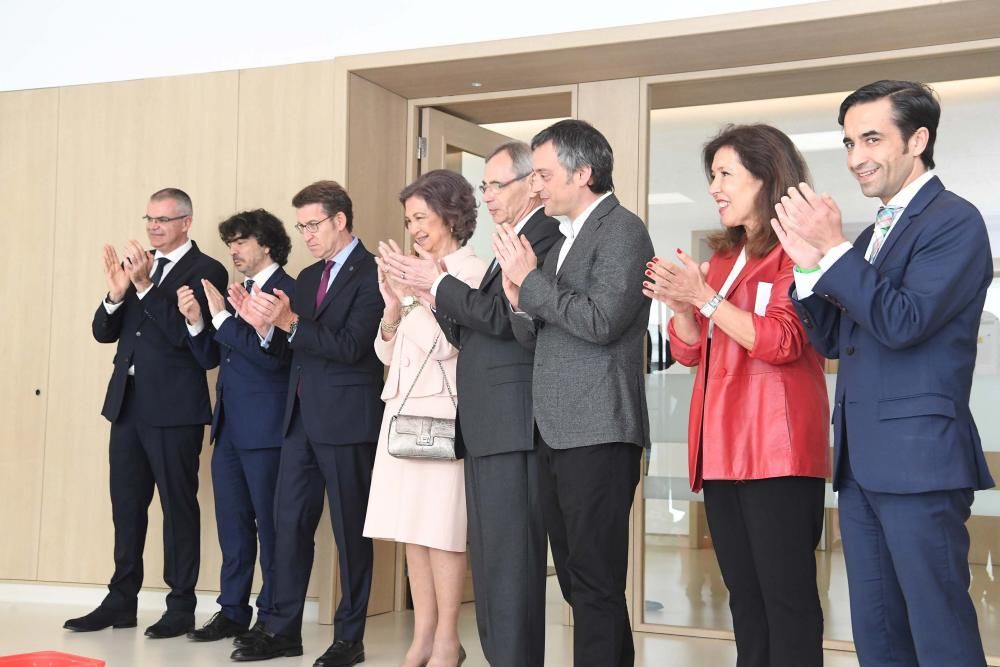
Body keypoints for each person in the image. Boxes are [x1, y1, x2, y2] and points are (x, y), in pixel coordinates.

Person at [773, 79, 994, 666]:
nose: (855, 158)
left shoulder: (955, 222)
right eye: (848, 143)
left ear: (918, 139)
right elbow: (835, 339)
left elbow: (904, 322)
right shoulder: (873, 234)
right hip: (861, 461)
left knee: (936, 625)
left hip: (919, 460)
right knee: (877, 629)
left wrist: (835, 252)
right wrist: (806, 270)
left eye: (872, 139)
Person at [643, 124, 830, 667]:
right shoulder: (726, 259)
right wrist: (682, 304)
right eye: (712, 177)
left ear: (766, 177)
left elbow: (783, 339)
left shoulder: (798, 253)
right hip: (721, 448)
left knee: (786, 599)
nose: (714, 188)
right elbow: (691, 352)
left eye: (725, 174)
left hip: (778, 451)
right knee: (744, 598)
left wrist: (701, 297)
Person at [381, 142, 560, 667]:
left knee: (488, 553)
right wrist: (402, 304)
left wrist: (429, 287)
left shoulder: (502, 253)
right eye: (484, 185)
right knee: (462, 548)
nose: (489, 195)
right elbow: (400, 345)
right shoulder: (511, 244)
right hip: (463, 419)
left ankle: (450, 645)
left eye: (496, 184)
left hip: (484, 416)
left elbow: (487, 328)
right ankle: (446, 643)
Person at [493, 119, 654, 667]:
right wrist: (519, 295)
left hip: (600, 427)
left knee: (596, 581)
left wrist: (530, 282)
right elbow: (537, 332)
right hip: (557, 428)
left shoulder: (623, 231)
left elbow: (603, 320)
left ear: (583, 173)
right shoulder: (565, 241)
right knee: (578, 582)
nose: (534, 187)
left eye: (543, 174)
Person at [229, 181, 384, 666]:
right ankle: (283, 630)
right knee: (288, 526)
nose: (307, 235)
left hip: (346, 421)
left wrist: (291, 324)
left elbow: (354, 347)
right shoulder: (308, 273)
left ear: (340, 220)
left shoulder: (372, 273)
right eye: (301, 227)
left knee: (350, 532)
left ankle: (349, 638)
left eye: (313, 225)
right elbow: (290, 348)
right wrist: (263, 327)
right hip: (298, 420)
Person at [65, 188, 228, 639]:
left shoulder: (205, 269)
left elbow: (192, 341)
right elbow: (104, 333)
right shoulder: (140, 268)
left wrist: (144, 286)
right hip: (128, 404)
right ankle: (121, 600)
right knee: (127, 506)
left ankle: (180, 606)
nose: (153, 227)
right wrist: (117, 295)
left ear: (186, 222)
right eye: (149, 219)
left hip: (175, 408)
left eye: (163, 219)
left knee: (178, 508)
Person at [367, 169, 487, 667]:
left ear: (451, 216)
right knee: (412, 531)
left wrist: (418, 292)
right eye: (409, 219)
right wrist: (393, 305)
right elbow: (385, 353)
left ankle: (446, 641)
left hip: (443, 419)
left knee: (442, 531)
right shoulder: (413, 273)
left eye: (422, 217)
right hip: (402, 413)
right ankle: (422, 636)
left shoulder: (474, 270)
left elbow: (446, 344)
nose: (414, 228)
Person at [181, 209, 295, 643]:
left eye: (241, 241)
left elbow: (273, 359)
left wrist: (224, 318)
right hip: (228, 427)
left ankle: (271, 616)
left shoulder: (287, 290)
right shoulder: (234, 292)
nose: (233, 250)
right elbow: (213, 357)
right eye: (230, 243)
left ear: (266, 244)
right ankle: (232, 611)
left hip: (266, 430)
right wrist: (198, 319)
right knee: (232, 525)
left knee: (270, 525)